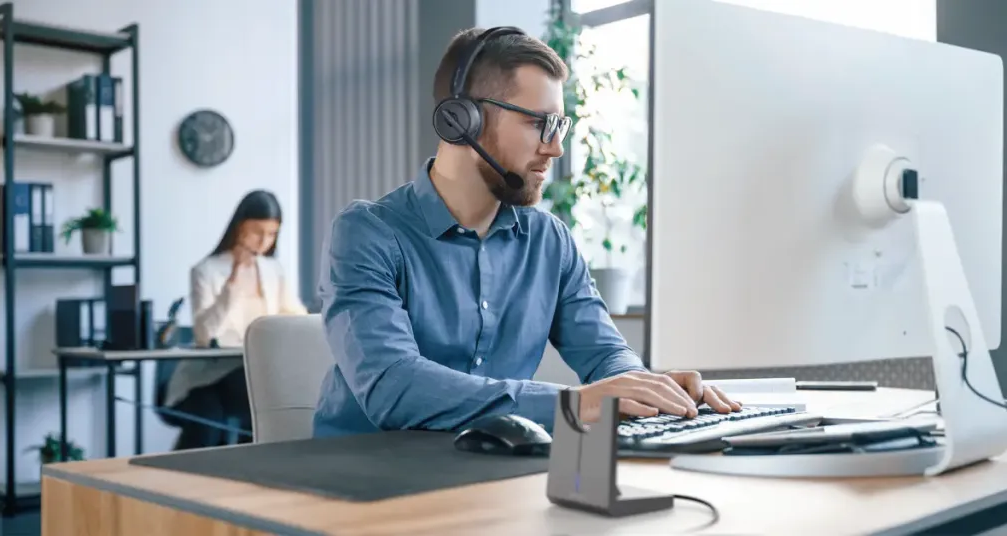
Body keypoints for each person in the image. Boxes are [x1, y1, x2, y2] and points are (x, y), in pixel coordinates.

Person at [312, 26, 740, 439]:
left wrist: (643, 387)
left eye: (560, 127)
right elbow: (393, 386)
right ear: (464, 121)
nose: (555, 148)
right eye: (541, 124)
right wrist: (575, 403)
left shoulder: (550, 240)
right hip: (367, 482)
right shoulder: (367, 233)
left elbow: (604, 352)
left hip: (491, 471)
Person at [165, 189, 308, 449]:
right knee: (232, 410)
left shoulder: (273, 270)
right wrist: (233, 282)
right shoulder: (206, 271)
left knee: (277, 394)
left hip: (251, 370)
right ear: (239, 227)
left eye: (272, 233)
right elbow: (204, 335)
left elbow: (295, 315)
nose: (264, 241)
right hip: (210, 373)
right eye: (256, 231)